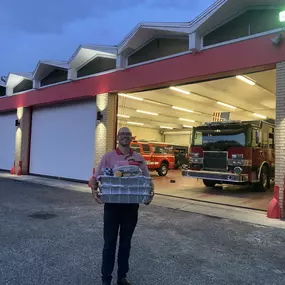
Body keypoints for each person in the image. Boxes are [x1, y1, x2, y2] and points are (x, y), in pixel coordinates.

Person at [91, 127, 154, 285]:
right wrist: (93, 190)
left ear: (131, 138)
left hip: (131, 207)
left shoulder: (138, 158)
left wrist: (150, 194)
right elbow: (96, 176)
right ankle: (106, 279)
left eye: (128, 134)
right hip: (112, 207)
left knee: (126, 243)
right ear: (117, 137)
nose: (125, 136)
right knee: (109, 243)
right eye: (122, 134)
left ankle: (122, 277)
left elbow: (148, 179)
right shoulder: (108, 157)